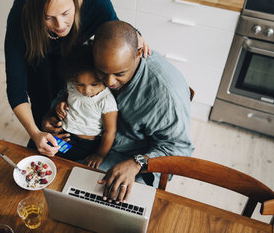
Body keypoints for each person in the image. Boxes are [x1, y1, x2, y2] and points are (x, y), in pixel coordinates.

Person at [43, 20, 194, 203]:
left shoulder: (166, 96)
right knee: (49, 185)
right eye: (102, 72)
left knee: (100, 204)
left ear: (138, 54)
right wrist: (53, 114)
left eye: (120, 74)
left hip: (132, 159)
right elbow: (70, 89)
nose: (109, 82)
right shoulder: (96, 53)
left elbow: (179, 150)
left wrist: (137, 163)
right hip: (86, 141)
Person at [4, 0, 150, 156]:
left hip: (74, 64)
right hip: (38, 64)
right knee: (44, 112)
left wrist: (135, 35)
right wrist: (36, 132)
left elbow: (114, 35)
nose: (59, 25)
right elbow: (16, 88)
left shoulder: (96, 1)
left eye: (65, 13)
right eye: (48, 17)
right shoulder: (22, 10)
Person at [54, 44, 118, 168]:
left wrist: (100, 154)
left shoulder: (106, 100)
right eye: (80, 84)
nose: (86, 91)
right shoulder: (72, 86)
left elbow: (110, 131)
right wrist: (62, 103)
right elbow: (68, 97)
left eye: (94, 84)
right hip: (65, 134)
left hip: (85, 144)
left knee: (69, 166)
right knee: (49, 153)